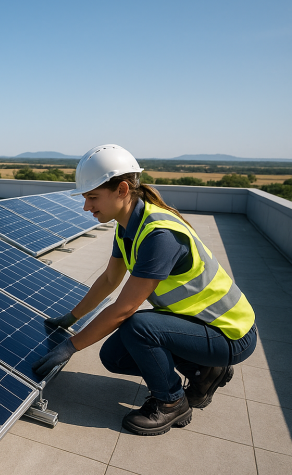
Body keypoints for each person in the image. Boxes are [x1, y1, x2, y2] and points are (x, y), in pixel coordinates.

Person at [32, 144, 257, 436]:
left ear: (122, 189)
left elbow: (125, 308)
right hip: (201, 325)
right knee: (114, 357)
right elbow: (110, 279)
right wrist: (72, 317)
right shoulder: (127, 226)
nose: (86, 206)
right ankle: (206, 370)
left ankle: (172, 403)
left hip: (229, 333)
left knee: (138, 326)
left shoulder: (159, 235)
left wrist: (71, 346)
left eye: (92, 197)